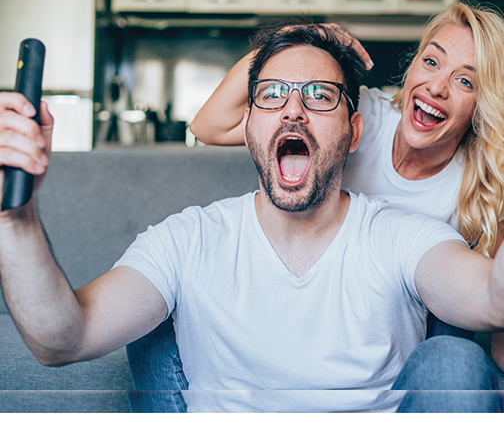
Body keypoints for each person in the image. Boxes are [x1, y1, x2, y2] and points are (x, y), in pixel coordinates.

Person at [0, 25, 503, 413]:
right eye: (272, 94)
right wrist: (16, 216)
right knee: (153, 329)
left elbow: (489, 298)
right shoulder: (186, 238)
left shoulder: (403, 234)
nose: (293, 110)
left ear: (354, 132)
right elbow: (61, 338)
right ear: (249, 126)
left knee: (455, 355)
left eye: (319, 95)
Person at [190, 1, 504, 371]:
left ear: (482, 103)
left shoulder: (484, 185)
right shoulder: (359, 114)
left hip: (402, 340)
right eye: (431, 62)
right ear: (413, 64)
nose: (437, 87)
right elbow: (208, 126)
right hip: (321, 302)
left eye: (465, 80)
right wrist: (294, 39)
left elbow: (494, 320)